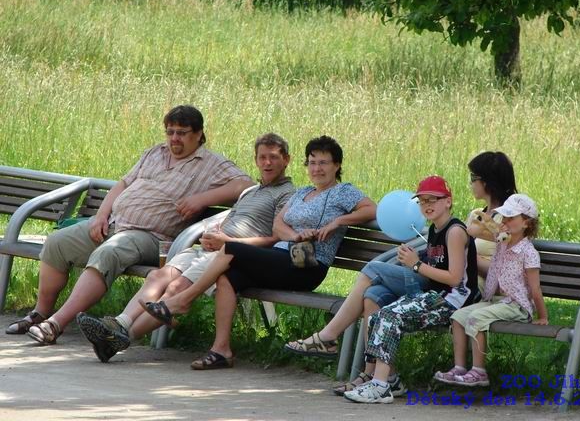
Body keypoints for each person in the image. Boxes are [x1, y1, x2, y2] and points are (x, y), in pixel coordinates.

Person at [5, 105, 254, 345]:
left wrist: (203, 199)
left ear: (199, 134)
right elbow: (123, 184)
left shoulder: (211, 163)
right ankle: (40, 313)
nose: (174, 138)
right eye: (170, 132)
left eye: (182, 133)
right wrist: (100, 215)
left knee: (109, 252)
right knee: (57, 243)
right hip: (113, 223)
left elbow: (245, 186)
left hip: (149, 236)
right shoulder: (155, 153)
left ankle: (56, 324)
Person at [140, 135, 377, 369]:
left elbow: (371, 209)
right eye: (313, 162)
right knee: (228, 278)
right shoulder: (302, 192)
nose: (317, 168)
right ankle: (221, 350)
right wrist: (295, 236)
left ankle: (182, 300)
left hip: (307, 266)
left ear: (337, 165)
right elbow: (278, 226)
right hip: (283, 257)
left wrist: (337, 222)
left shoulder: (343, 191)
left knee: (232, 248)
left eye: (324, 163)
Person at [75, 133, 295, 362]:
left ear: (286, 160)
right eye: (262, 158)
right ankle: (120, 324)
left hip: (233, 254)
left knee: (176, 288)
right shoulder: (250, 191)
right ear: (256, 160)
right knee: (158, 277)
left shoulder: (288, 194)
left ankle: (120, 337)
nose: (267, 163)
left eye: (273, 158)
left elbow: (274, 239)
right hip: (211, 247)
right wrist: (212, 233)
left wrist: (228, 243)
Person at [343, 175, 478, 404]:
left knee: (389, 316)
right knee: (378, 314)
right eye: (422, 201)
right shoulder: (435, 229)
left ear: (448, 201)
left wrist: (416, 264)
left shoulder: (455, 231)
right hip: (435, 296)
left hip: (453, 301)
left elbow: (455, 279)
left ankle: (380, 386)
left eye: (433, 199)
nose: (427, 205)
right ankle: (389, 382)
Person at [434, 193, 547, 387]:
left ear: (526, 223)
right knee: (459, 317)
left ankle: (479, 372)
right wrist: (486, 218)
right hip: (498, 302)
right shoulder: (502, 242)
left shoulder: (528, 252)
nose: (505, 222)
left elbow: (535, 288)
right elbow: (487, 230)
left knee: (477, 319)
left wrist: (542, 316)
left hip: (517, 306)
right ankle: (459, 367)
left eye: (511, 218)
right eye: (504, 217)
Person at [466, 152, 518, 287]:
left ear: (486, 182)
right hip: (460, 284)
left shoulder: (512, 218)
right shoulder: (475, 215)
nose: (470, 182)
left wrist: (467, 257)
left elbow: (509, 272)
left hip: (481, 290)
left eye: (473, 177)